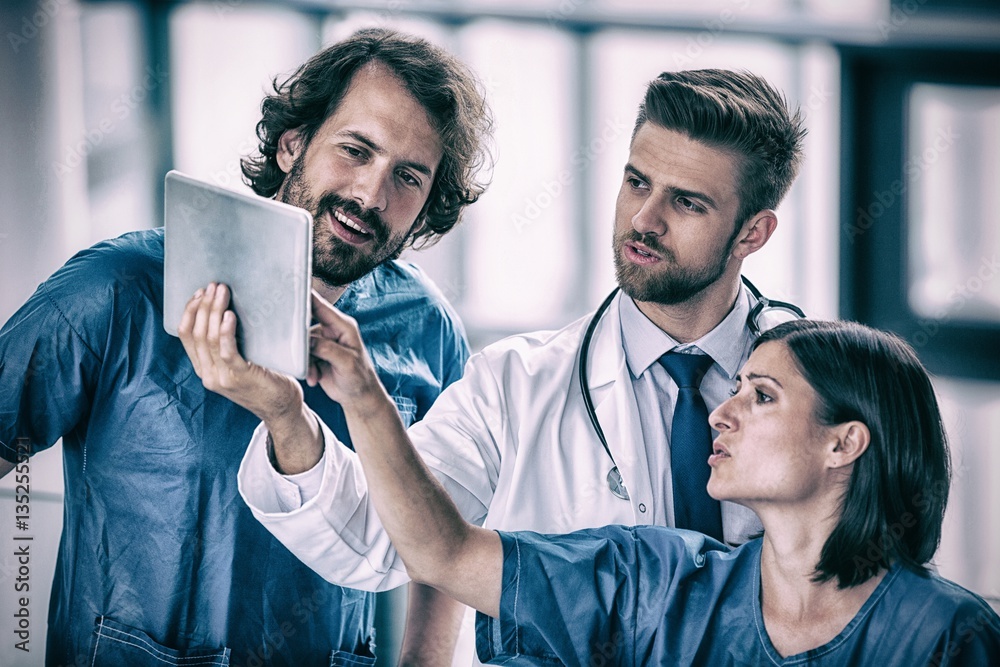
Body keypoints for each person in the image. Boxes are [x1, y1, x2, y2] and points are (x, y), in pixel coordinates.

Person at [193, 68, 808, 664]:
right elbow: (380, 540)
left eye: (688, 203)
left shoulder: (835, 390)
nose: (644, 220)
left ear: (753, 232)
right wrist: (286, 414)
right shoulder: (513, 386)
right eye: (637, 182)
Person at [0, 27, 492, 665]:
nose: (372, 195)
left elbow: (445, 541)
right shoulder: (117, 290)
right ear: (293, 145)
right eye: (355, 150)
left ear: (428, 206)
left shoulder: (428, 330)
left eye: (408, 177)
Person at [188, 299, 1000, 664]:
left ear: (845, 442)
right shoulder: (656, 580)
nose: (724, 411)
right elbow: (438, 550)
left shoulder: (945, 637)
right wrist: (349, 394)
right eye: (736, 387)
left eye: (761, 396)